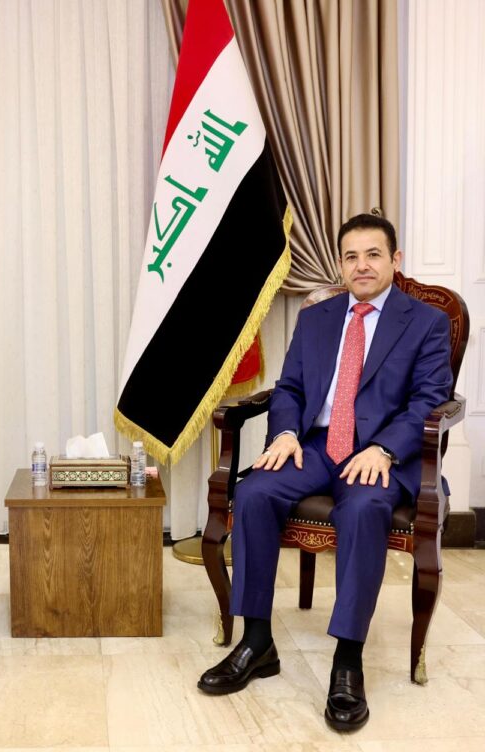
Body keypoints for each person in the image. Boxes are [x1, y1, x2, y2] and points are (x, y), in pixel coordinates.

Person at [197, 214, 453, 731]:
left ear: (395, 260)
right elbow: (290, 388)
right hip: (315, 446)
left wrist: (384, 449)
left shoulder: (425, 322)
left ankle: (348, 660)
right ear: (340, 264)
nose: (362, 266)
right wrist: (285, 434)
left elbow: (430, 399)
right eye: (351, 256)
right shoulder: (317, 318)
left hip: (379, 454)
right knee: (255, 492)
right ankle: (257, 641)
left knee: (363, 507)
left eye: (373, 254)